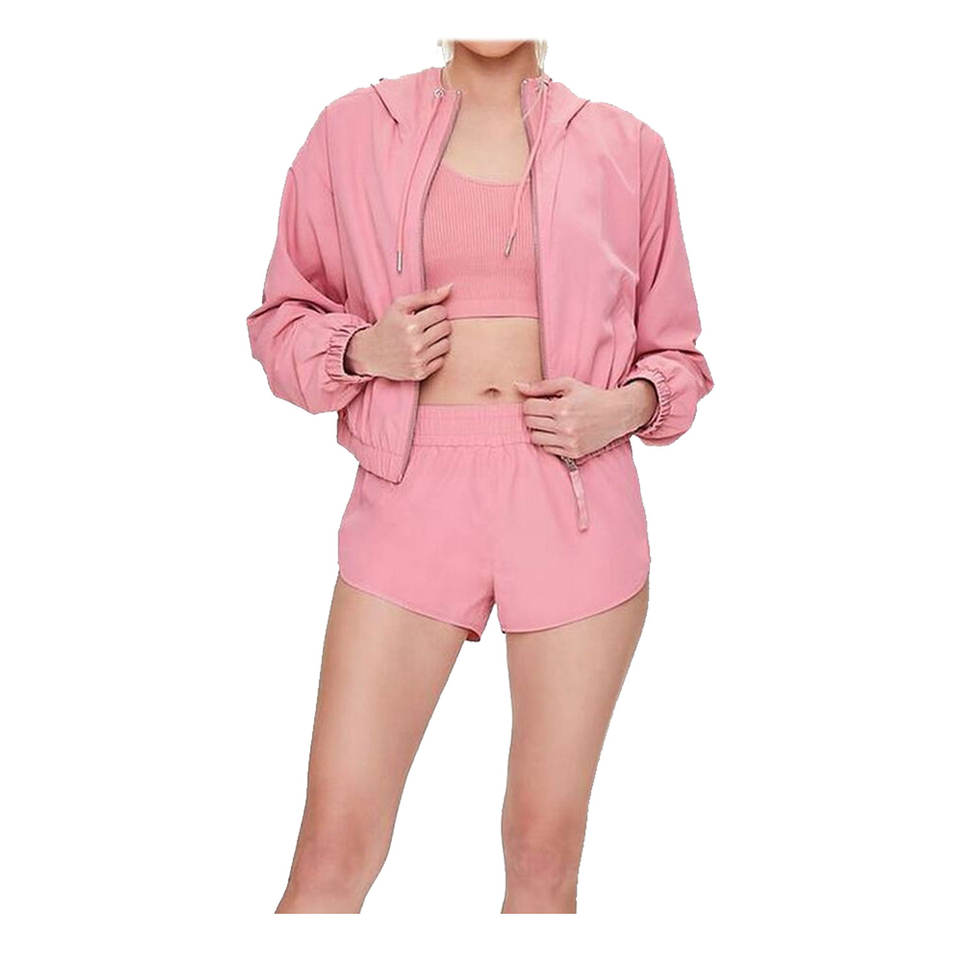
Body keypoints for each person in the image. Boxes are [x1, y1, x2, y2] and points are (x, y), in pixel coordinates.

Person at [246, 39, 713, 913]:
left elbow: (677, 355)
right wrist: (363, 349)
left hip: (576, 499)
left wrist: (623, 408)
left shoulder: (628, 146)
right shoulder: (354, 129)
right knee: (333, 847)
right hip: (411, 493)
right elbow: (281, 319)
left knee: (542, 852)